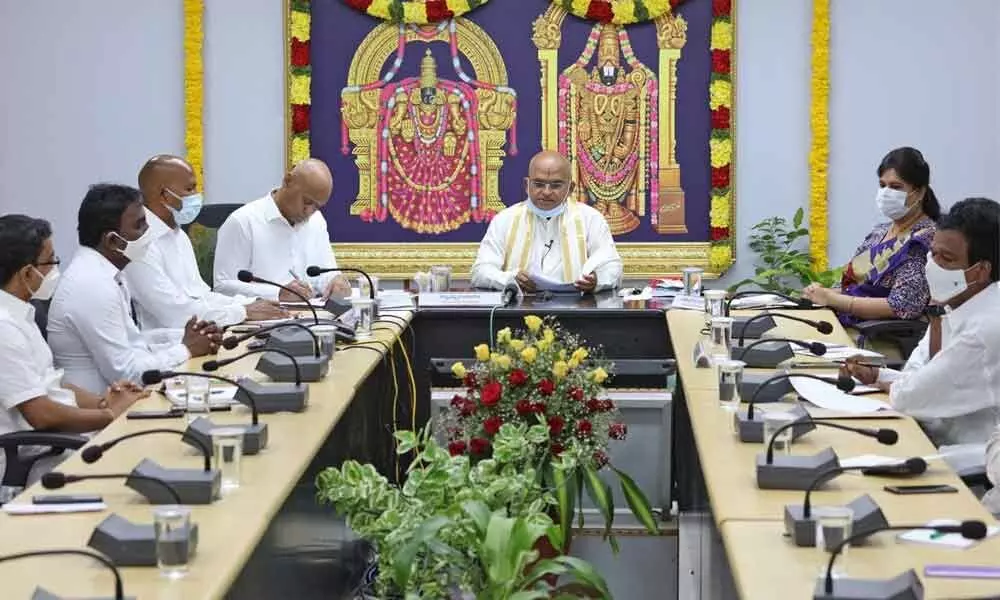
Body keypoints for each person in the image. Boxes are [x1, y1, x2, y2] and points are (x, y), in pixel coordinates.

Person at [842, 197, 1000, 450]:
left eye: (946, 259)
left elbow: (910, 396)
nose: (932, 266)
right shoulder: (955, 300)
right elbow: (916, 377)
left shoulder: (986, 329)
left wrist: (893, 383)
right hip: (927, 430)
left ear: (981, 271)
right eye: (932, 253)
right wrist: (878, 375)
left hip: (971, 463)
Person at [0, 215, 147, 481]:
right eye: (52, 261)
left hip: (59, 441)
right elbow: (41, 414)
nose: (57, 268)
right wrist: (109, 414)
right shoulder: (4, 328)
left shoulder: (20, 314)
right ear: (26, 273)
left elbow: (53, 385)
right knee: (140, 458)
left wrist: (105, 400)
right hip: (38, 457)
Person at [47, 184, 221, 395]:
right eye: (139, 226)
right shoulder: (92, 285)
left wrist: (194, 336)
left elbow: (135, 342)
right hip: (102, 418)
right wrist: (186, 349)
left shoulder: (107, 272)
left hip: (124, 402)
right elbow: (127, 373)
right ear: (113, 240)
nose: (149, 232)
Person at [123, 155, 287, 329]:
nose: (196, 196)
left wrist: (254, 303)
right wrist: (242, 312)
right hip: (166, 344)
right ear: (164, 195)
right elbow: (172, 312)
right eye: (190, 189)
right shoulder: (139, 242)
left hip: (201, 334)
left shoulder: (178, 235)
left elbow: (201, 295)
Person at [803, 147, 939, 326]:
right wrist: (821, 293)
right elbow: (852, 288)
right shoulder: (879, 233)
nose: (886, 193)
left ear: (920, 192)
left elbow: (904, 304)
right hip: (848, 324)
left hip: (883, 337)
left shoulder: (926, 239)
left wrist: (833, 299)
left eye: (896, 187)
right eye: (883, 185)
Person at [470, 150, 622, 293]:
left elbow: (612, 268)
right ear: (526, 185)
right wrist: (509, 279)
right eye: (539, 184)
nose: (547, 192)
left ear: (570, 188)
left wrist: (596, 281)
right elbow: (480, 272)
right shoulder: (505, 220)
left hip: (575, 311)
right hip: (519, 311)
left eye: (556, 185)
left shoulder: (591, 219)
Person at [213, 158, 351, 301]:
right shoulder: (243, 222)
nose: (309, 211)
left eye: (317, 207)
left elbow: (324, 273)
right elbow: (223, 287)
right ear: (287, 181)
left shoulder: (316, 221)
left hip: (313, 315)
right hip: (264, 319)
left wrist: (335, 281)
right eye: (307, 202)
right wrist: (278, 293)